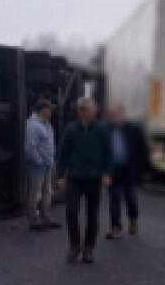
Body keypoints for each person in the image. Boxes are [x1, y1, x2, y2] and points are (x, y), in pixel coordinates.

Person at [56, 96, 112, 264]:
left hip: (94, 178)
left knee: (92, 214)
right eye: (91, 109)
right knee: (71, 211)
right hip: (74, 177)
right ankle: (74, 245)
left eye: (94, 108)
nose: (95, 111)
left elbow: (108, 153)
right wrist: (60, 175)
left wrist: (107, 173)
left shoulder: (101, 129)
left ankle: (88, 248)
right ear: (82, 111)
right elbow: (63, 153)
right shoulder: (71, 129)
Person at [105, 103, 149, 239]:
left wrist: (144, 170)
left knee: (130, 197)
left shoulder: (133, 128)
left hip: (129, 169)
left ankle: (133, 220)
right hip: (112, 169)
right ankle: (115, 227)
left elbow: (143, 150)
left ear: (122, 114)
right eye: (111, 115)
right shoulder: (105, 129)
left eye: (116, 114)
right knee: (114, 199)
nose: (113, 117)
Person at [24, 99, 59, 231]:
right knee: (35, 193)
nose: (51, 112)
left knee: (47, 192)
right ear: (43, 110)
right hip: (37, 166)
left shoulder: (46, 124)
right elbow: (29, 148)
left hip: (47, 164)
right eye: (50, 109)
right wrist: (39, 161)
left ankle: (46, 217)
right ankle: (34, 221)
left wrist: (50, 161)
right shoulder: (33, 125)